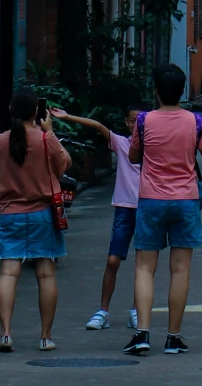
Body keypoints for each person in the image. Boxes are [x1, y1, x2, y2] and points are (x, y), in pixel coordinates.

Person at [125, 63, 202, 357]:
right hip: (186, 201)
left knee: (144, 267)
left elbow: (133, 155)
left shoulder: (143, 120)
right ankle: (173, 337)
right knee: (180, 269)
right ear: (182, 91)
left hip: (151, 200)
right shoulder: (196, 122)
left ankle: (142, 333)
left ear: (156, 92)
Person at [51, 106, 142, 330]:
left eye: (139, 121)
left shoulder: (155, 147)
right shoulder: (122, 143)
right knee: (113, 260)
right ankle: (103, 311)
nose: (135, 125)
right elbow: (99, 127)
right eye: (131, 121)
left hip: (147, 209)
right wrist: (68, 116)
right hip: (124, 208)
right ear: (126, 123)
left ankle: (137, 310)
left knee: (143, 264)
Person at [0, 89, 69, 353]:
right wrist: (49, 132)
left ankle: (5, 334)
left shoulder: (0, 141)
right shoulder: (45, 139)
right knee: (46, 274)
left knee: (8, 273)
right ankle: (45, 337)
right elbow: (63, 165)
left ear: (11, 111)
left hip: (10, 214)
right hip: (42, 214)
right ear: (37, 113)